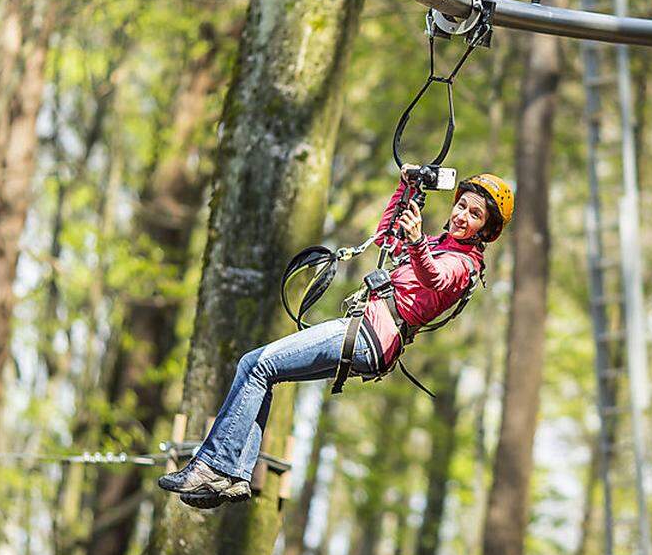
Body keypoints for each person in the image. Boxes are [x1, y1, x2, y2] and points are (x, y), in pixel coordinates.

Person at [158, 169, 514, 508]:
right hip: (369, 337)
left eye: (475, 214)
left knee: (255, 364)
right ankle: (234, 475)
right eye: (462, 205)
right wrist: (403, 189)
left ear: (486, 229)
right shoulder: (439, 243)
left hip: (370, 335)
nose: (463, 215)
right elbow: (387, 238)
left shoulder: (463, 265)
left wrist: (419, 242)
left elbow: (435, 277)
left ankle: (213, 466)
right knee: (265, 372)